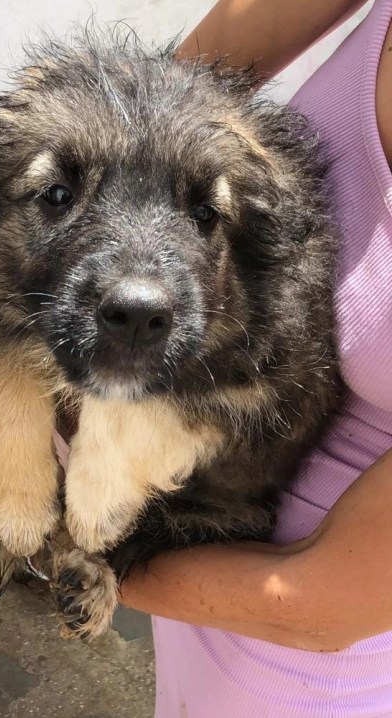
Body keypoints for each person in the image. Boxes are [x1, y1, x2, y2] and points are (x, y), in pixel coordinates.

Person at [119, 0, 392, 715]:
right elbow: (155, 117)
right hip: (180, 527)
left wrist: (72, 552)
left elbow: (318, 604)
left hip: (300, 653)